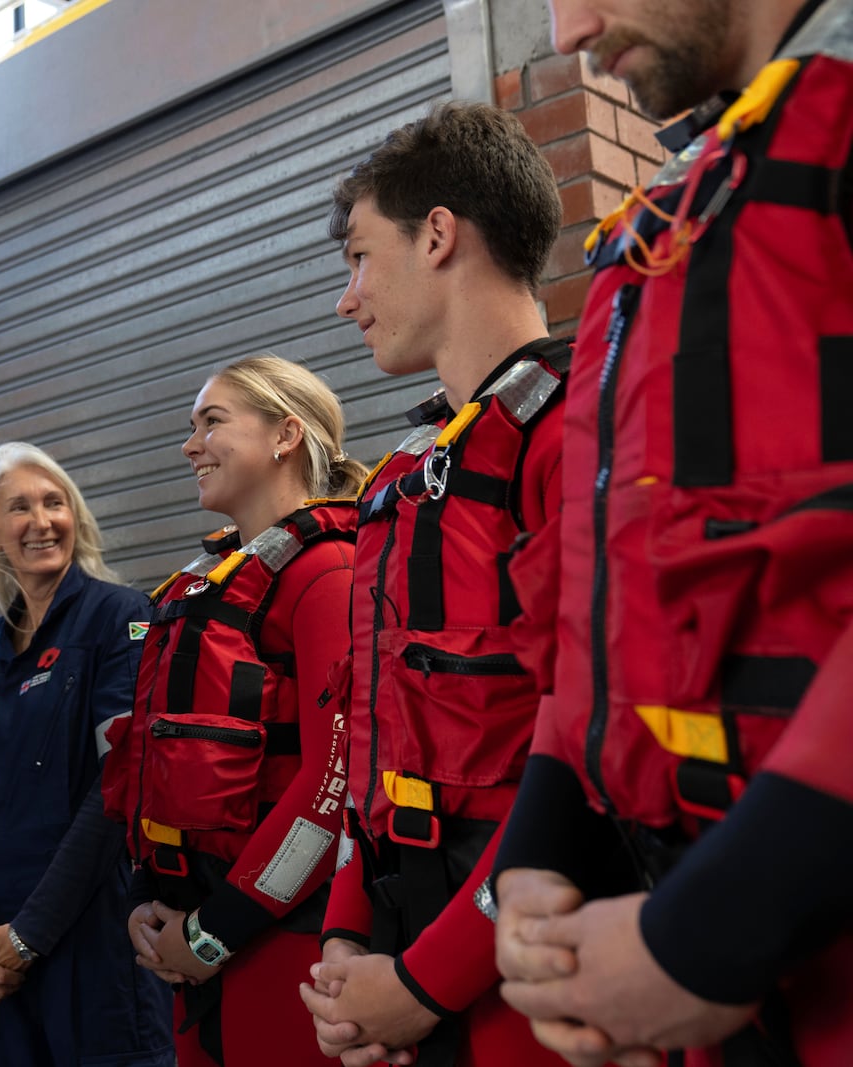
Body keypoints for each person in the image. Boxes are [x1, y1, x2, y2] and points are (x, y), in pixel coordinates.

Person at [490, 1, 853, 1065]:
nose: (567, 33)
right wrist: (537, 859)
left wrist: (712, 932)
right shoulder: (679, 218)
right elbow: (613, 598)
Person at [294, 102, 572, 1067]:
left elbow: (587, 750)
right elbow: (376, 741)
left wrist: (425, 981)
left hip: (528, 982)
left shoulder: (575, 432)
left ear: (441, 235)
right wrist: (345, 943)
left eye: (361, 258)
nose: (348, 297)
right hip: (397, 962)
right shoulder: (403, 481)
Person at [102, 355, 366, 1067]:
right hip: (190, 945)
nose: (191, 446)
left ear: (285, 434)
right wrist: (149, 901)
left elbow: (330, 785)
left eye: (211, 421)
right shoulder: (214, 583)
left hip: (280, 943)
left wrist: (217, 930)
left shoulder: (326, 571)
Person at [0, 441, 174, 1067]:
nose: (41, 521)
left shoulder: (121, 617)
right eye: (19, 507)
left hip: (95, 949)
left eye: (55, 502)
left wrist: (30, 935)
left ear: (75, 517)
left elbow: (120, 786)